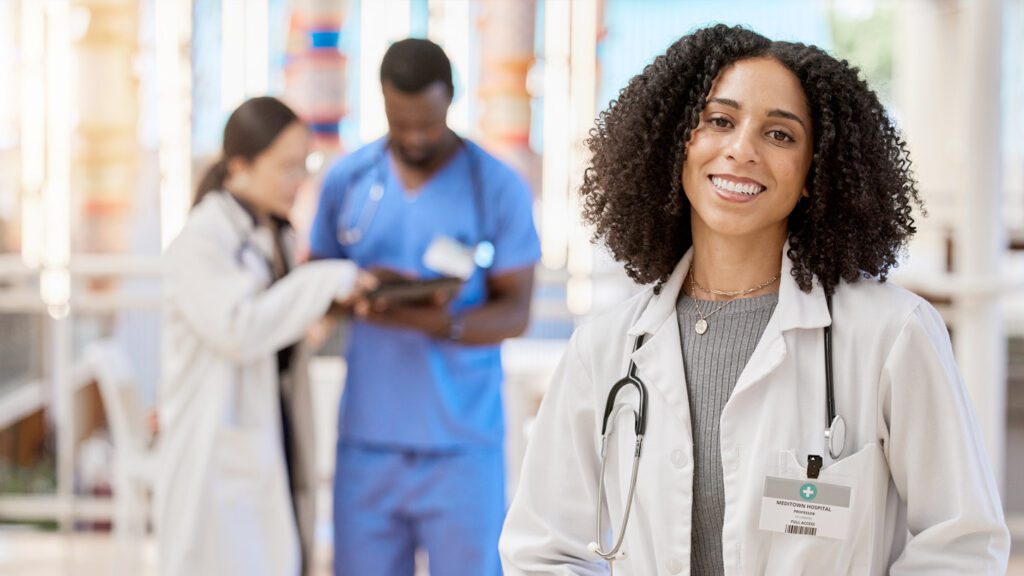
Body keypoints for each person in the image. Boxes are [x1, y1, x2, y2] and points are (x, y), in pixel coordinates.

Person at [499, 24, 1010, 575]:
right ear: (678, 144)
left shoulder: (892, 333)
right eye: (720, 121)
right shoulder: (605, 348)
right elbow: (543, 549)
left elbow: (963, 544)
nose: (741, 149)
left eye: (780, 135)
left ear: (815, 172)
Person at [309, 38, 541, 576]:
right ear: (383, 102)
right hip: (368, 443)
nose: (414, 137)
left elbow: (516, 311)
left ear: (452, 100)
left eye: (428, 125)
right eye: (400, 122)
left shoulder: (496, 187)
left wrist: (443, 321)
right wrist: (368, 291)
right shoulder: (348, 181)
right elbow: (316, 288)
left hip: (462, 449)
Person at [157, 96, 376, 576]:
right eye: (287, 167)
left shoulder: (271, 232)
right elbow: (240, 330)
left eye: (305, 166)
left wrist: (322, 311)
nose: (300, 182)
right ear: (240, 165)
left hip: (266, 440)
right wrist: (325, 281)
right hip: (213, 453)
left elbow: (275, 328)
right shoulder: (202, 239)